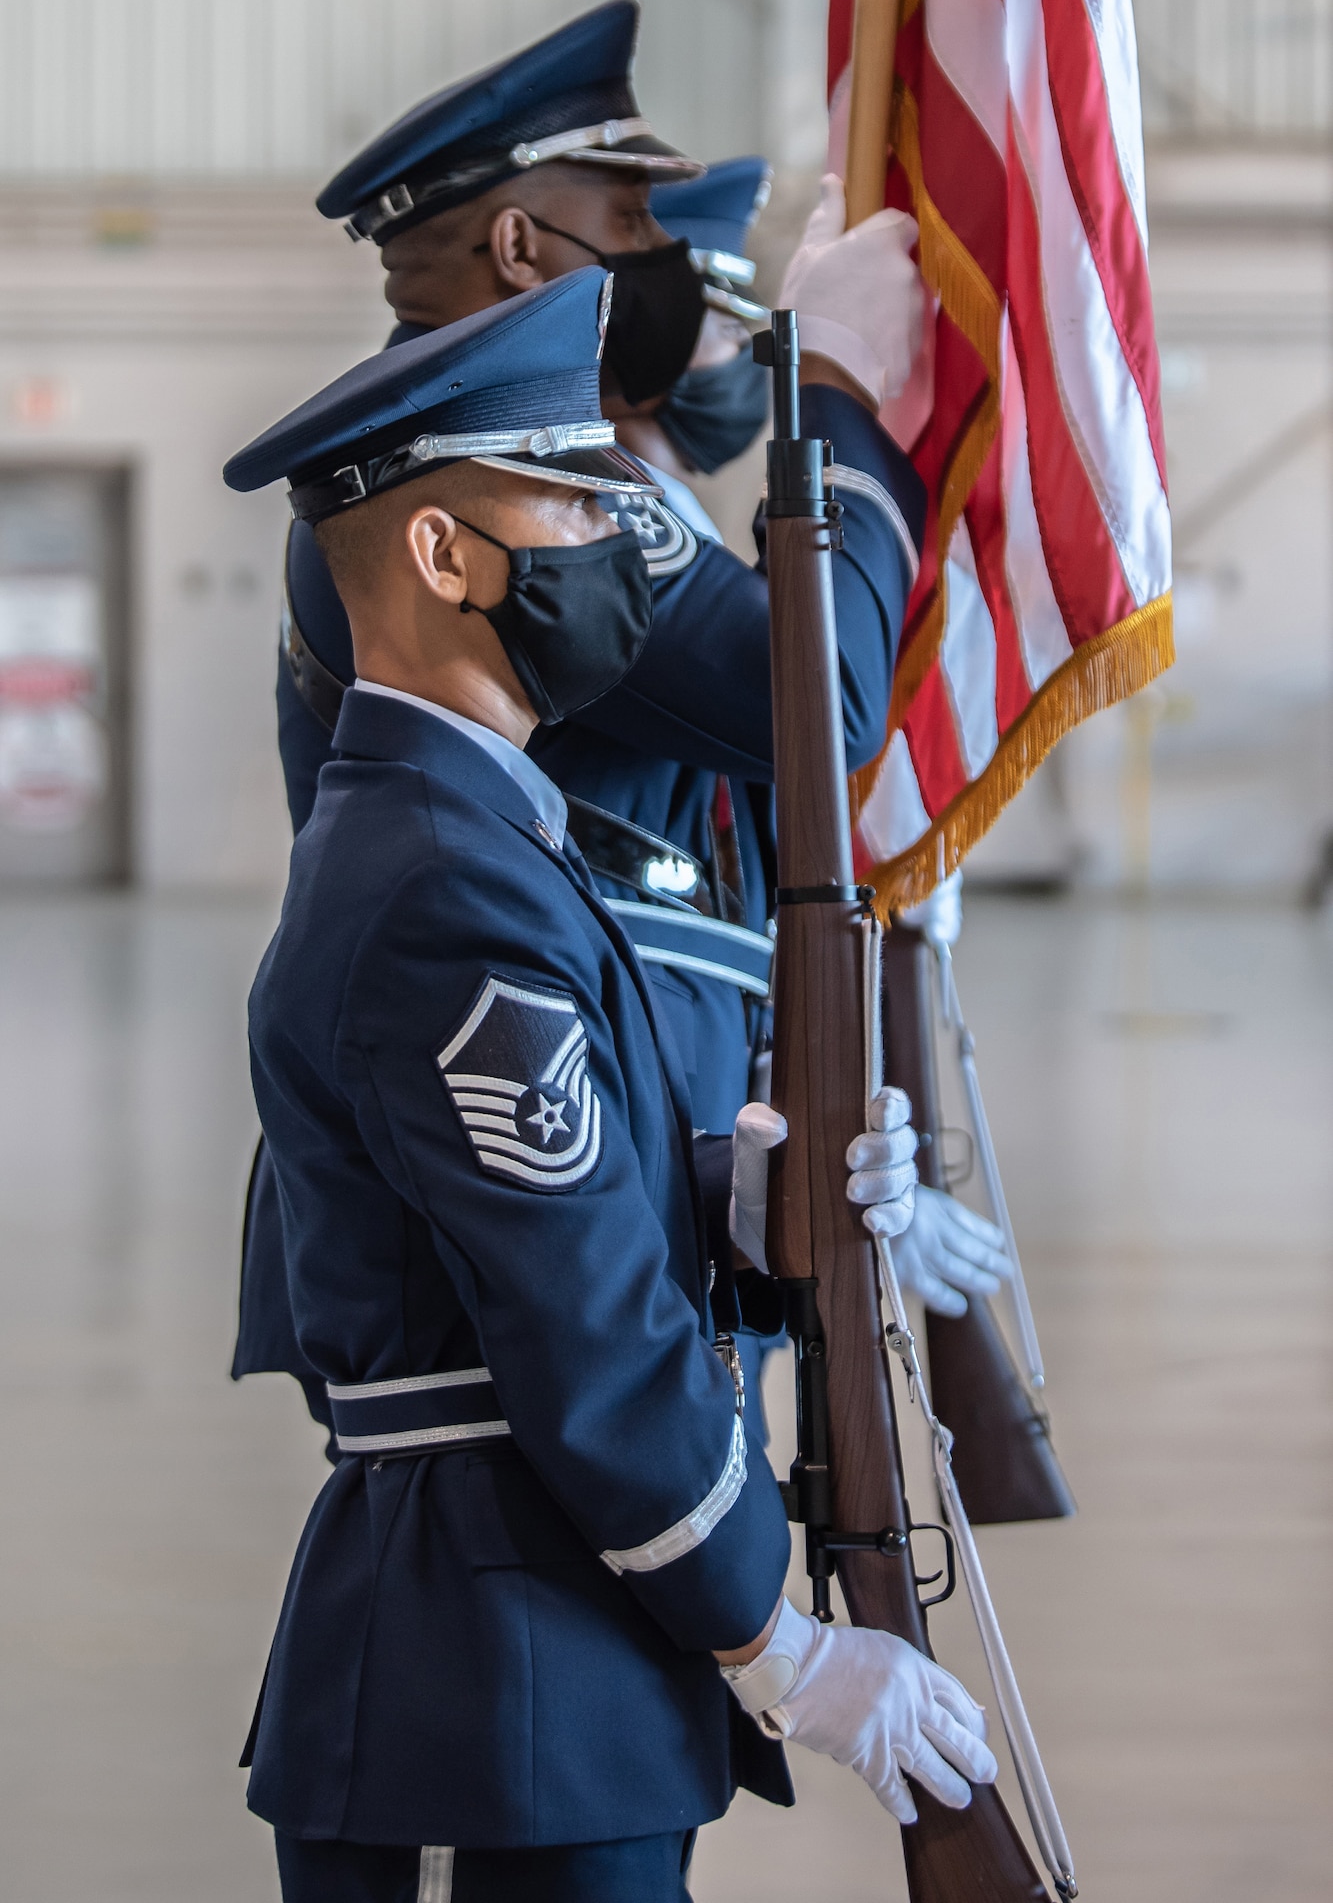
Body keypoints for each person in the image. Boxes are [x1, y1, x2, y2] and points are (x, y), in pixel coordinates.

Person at [226, 270, 998, 1903]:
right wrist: (772, 1638)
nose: (612, 536)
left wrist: (754, 1196)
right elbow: (578, 1325)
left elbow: (560, 1211)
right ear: (442, 555)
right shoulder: (444, 879)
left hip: (556, 1653)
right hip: (490, 1681)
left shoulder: (494, 841)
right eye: (568, 498)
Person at [233, 0, 1006, 1439]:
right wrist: (830, 393)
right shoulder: (505, 491)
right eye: (634, 224)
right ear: (526, 247)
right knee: (621, 1522)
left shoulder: (566, 478)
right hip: (560, 1081)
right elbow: (816, 702)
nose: (663, 263)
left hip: (672, 1078)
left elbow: (764, 788)